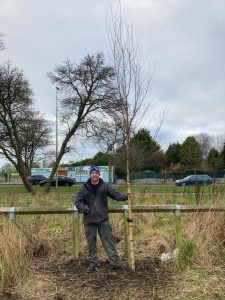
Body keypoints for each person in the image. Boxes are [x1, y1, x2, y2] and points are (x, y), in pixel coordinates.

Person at [75, 165, 128, 271]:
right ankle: (93, 262)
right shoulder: (84, 188)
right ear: (90, 175)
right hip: (89, 221)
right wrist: (85, 208)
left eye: (96, 173)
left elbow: (116, 195)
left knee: (109, 241)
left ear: (99, 174)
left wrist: (126, 196)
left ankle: (115, 262)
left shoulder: (105, 186)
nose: (94, 175)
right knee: (91, 243)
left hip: (103, 220)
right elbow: (78, 202)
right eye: (92, 173)